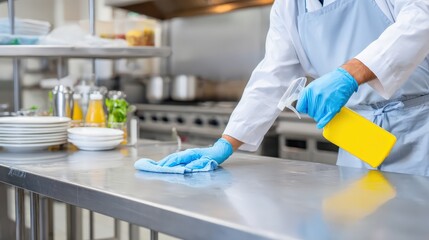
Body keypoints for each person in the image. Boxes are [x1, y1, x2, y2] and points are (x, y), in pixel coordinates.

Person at [155, 0, 429, 176]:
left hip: (420, 132)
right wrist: (226, 143)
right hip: (361, 139)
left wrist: (350, 73)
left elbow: (421, 18)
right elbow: (272, 76)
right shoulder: (288, 7)